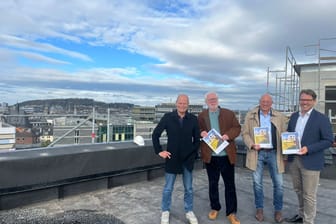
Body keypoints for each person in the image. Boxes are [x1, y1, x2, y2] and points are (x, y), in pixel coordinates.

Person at [286, 89, 333, 224]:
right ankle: (302, 215)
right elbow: (290, 134)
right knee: (298, 190)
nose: (304, 102)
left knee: (309, 195)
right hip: (294, 160)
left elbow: (328, 140)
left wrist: (309, 149)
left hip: (311, 161)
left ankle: (308, 220)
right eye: (302, 100)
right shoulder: (294, 116)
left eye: (307, 100)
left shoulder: (321, 119)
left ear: (314, 101)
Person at [152, 94, 200, 224]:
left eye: (185, 103)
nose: (182, 105)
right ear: (176, 104)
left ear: (188, 105)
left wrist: (193, 154)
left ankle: (189, 211)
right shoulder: (168, 117)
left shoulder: (193, 119)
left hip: (187, 159)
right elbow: (155, 134)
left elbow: (197, 140)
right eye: (180, 103)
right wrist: (159, 151)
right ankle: (165, 211)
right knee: (168, 188)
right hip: (172, 158)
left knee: (189, 188)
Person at [241, 93, 287, 223]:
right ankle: (259, 209)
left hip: (274, 153)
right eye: (263, 101)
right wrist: (251, 144)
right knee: (257, 183)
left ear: (271, 103)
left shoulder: (280, 116)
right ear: (259, 102)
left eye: (268, 101)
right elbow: (244, 133)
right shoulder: (251, 115)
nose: (265, 103)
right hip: (257, 153)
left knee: (279, 184)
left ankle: (278, 210)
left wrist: (285, 155)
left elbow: (285, 135)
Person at [198, 92, 241, 224]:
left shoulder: (228, 113)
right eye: (210, 99)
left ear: (218, 100)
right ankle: (215, 207)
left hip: (226, 155)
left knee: (230, 185)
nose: (212, 101)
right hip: (211, 156)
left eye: (214, 99)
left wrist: (228, 135)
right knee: (213, 184)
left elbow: (237, 128)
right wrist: (201, 132)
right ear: (206, 101)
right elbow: (197, 129)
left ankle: (231, 213)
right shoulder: (202, 116)